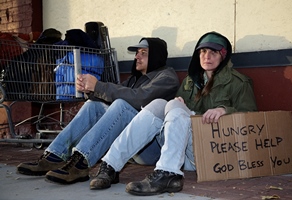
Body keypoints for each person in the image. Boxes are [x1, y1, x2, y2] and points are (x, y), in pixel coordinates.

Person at [88, 31, 257, 195]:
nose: (207, 56)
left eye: (213, 52)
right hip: (181, 149)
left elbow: (253, 120)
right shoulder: (191, 81)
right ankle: (110, 165)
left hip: (209, 153)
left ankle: (168, 172)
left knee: (172, 107)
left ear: (223, 55)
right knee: (160, 104)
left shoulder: (239, 83)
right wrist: (178, 102)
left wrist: (224, 110)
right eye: (203, 51)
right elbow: (178, 112)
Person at [16, 37, 180, 185]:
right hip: (128, 146)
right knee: (93, 106)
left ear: (156, 55)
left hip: (152, 149)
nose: (137, 56)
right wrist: (91, 91)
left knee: (121, 106)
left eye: (143, 53)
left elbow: (140, 98)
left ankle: (82, 162)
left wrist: (99, 86)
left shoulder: (167, 77)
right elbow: (110, 99)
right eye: (137, 53)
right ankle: (55, 156)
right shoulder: (134, 79)